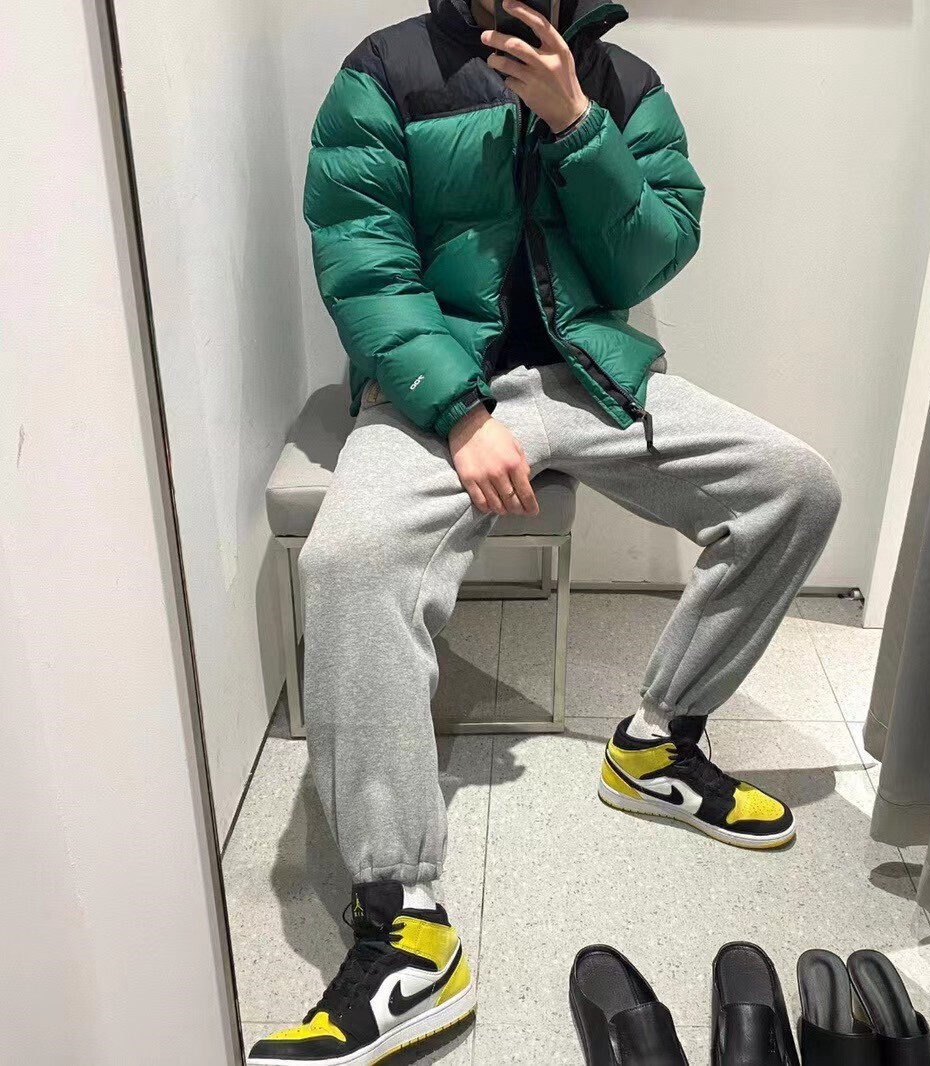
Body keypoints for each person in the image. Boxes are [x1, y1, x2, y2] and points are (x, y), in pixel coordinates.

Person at [247, 0, 840, 1062]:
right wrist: (458, 413)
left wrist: (577, 124)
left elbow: (649, 259)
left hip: (587, 374)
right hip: (435, 389)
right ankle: (406, 927)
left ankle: (657, 745)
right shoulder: (385, 71)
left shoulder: (623, 84)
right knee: (348, 560)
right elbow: (363, 261)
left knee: (795, 487)